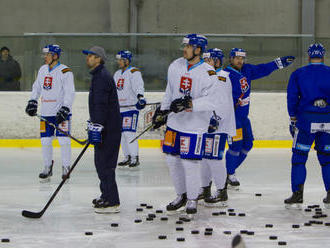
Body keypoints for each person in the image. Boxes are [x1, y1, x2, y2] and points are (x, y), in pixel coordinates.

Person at [152, 34, 226, 217]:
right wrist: (162, 111)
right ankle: (181, 195)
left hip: (194, 127)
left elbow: (214, 101)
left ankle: (193, 198)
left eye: (188, 46)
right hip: (174, 123)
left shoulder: (209, 72)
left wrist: (191, 104)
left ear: (198, 50)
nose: (184, 49)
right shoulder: (175, 65)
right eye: (184, 46)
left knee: (190, 163)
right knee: (172, 160)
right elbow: (170, 90)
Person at [224, 48, 295, 189]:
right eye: (237, 58)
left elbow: (263, 69)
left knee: (248, 144)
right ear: (230, 59)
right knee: (235, 147)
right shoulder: (224, 75)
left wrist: (279, 62)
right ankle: (229, 174)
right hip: (232, 119)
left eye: (242, 58)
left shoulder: (247, 70)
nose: (240, 60)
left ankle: (225, 172)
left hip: (244, 118)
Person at [284, 43, 330, 209]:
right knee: (327, 158)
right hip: (327, 121)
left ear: (309, 56)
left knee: (299, 157)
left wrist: (293, 118)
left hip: (305, 121)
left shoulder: (298, 73)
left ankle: (297, 194)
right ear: (323, 56)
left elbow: (292, 97)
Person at [25, 44, 75, 182]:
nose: (45, 57)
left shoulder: (65, 71)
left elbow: (69, 92)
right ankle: (47, 166)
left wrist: (65, 108)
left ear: (55, 56)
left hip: (61, 113)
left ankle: (66, 167)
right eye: (45, 55)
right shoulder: (42, 69)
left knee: (64, 141)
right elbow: (37, 87)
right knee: (45, 141)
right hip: (46, 113)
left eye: (47, 55)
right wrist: (32, 101)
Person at [83, 46, 122, 214]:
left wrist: (97, 126)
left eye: (91, 56)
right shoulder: (98, 76)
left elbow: (101, 105)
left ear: (99, 59)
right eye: (88, 56)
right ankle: (105, 194)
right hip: (104, 127)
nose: (88, 59)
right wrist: (94, 124)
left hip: (109, 129)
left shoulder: (102, 77)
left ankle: (112, 201)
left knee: (106, 165)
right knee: (100, 163)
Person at [198, 48, 236, 207]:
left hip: (217, 126)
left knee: (214, 158)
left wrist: (215, 120)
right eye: (204, 60)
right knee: (204, 159)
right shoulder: (207, 77)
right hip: (206, 125)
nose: (206, 63)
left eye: (209, 60)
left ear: (217, 61)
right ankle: (205, 189)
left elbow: (222, 103)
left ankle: (222, 191)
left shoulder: (221, 77)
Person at [113, 50, 146, 168]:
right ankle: (127, 157)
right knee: (121, 134)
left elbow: (138, 86)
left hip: (131, 108)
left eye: (121, 60)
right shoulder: (117, 74)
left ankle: (134, 157)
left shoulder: (134, 72)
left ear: (126, 60)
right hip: (119, 109)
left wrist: (140, 97)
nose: (119, 62)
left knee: (129, 133)